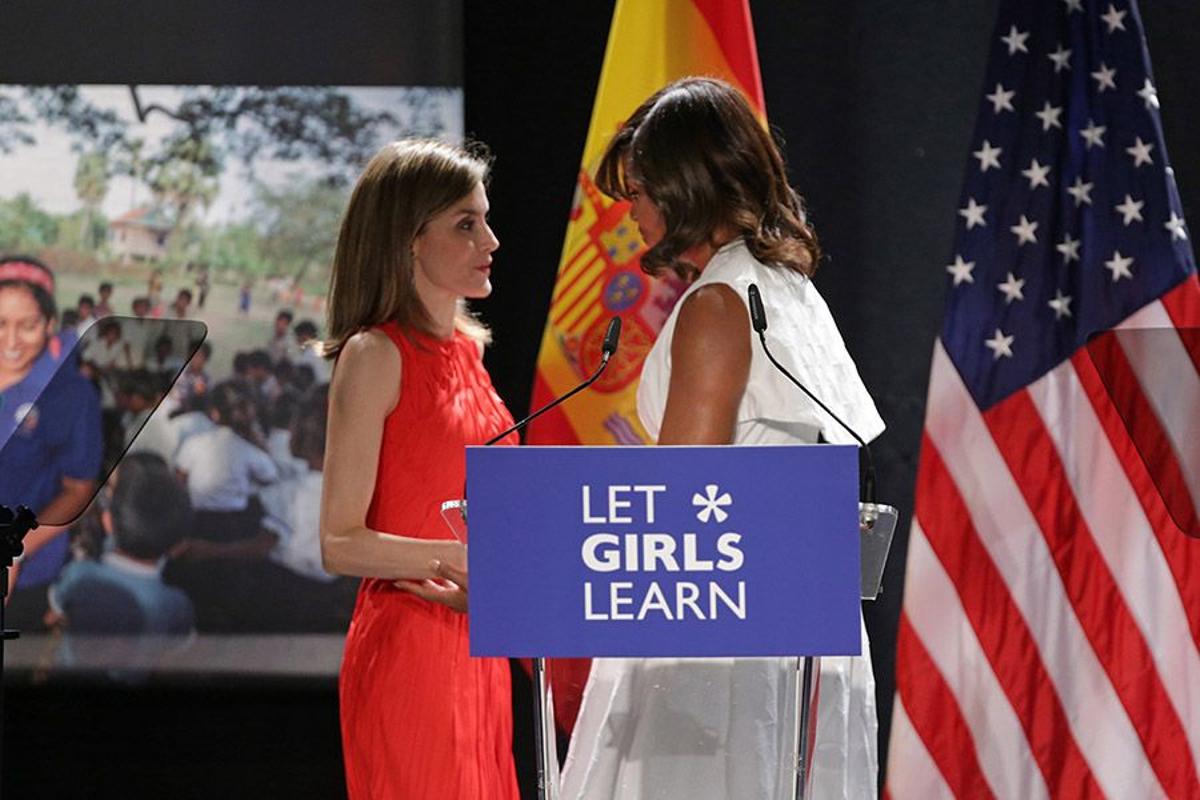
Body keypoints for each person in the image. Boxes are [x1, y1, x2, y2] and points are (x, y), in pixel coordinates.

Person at [559, 78, 886, 800]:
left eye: (642, 190)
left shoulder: (717, 303)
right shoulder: (791, 289)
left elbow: (674, 507)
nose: (631, 210)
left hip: (719, 643)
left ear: (687, 188)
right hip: (801, 638)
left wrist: (541, 562)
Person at [319, 139, 519, 799]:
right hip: (410, 652)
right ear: (407, 240)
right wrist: (461, 560)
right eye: (466, 224)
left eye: (485, 218)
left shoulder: (469, 351)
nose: (489, 238)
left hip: (478, 642)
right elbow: (340, 542)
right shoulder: (376, 354)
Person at [0, 256, 104, 629]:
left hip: (23, 575)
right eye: (0, 324)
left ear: (48, 325)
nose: (10, 342)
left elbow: (78, 490)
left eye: (27, 326)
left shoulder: (71, 395)